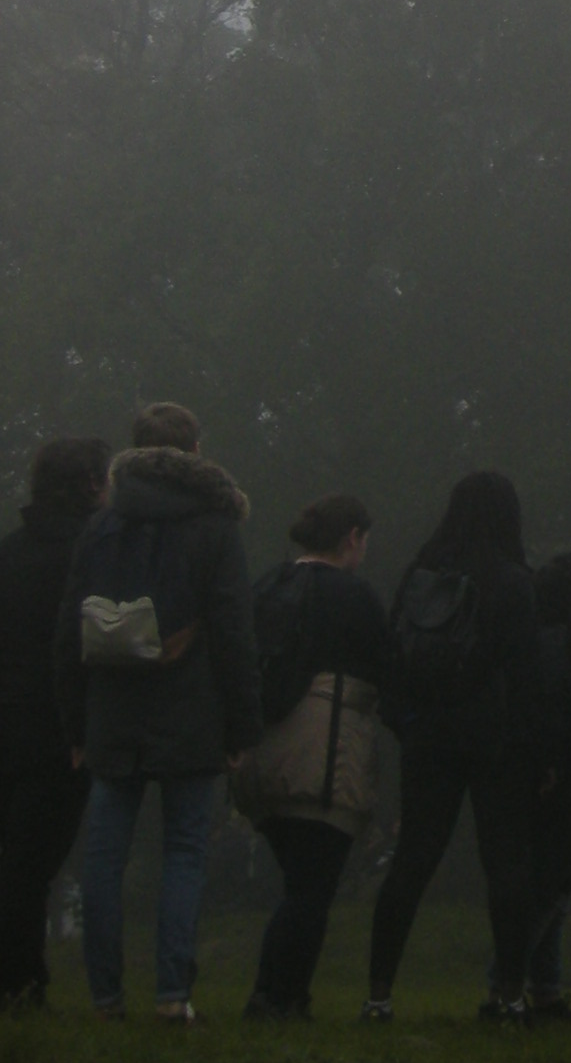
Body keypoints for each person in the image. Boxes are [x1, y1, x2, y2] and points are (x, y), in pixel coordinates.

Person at [55, 403, 262, 1024]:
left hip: (111, 712)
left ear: (135, 451)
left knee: (103, 856)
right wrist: (242, 725)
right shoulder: (216, 527)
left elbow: (68, 633)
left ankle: (105, 999)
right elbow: (233, 632)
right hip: (192, 711)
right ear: (195, 452)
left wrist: (75, 726)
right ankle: (172, 996)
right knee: (184, 852)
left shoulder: (101, 526)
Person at [362, 470, 539, 1024]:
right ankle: (510, 995)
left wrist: (407, 722)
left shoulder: (422, 575)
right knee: (506, 865)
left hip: (429, 735)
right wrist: (533, 747)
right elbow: (526, 674)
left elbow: (392, 655)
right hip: (495, 739)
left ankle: (378, 995)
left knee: (412, 860)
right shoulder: (513, 581)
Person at [235, 494, 390, 1020]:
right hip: (324, 758)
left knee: (297, 883)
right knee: (311, 890)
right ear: (352, 538)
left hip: (262, 756)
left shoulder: (268, 585)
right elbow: (388, 666)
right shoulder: (354, 596)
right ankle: (278, 998)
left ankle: (276, 994)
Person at [0, 437, 109, 1007]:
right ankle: (20, 978)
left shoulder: (11, 551)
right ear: (90, 484)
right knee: (33, 861)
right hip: (62, 729)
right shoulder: (93, 553)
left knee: (16, 858)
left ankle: (22, 974)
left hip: (8, 720)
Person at [504, 546, 571, 1022]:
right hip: (557, 771)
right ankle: (507, 981)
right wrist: (557, 762)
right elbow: (558, 710)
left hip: (533, 768)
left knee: (548, 881)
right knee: (554, 882)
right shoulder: (564, 642)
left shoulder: (533, 638)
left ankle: (543, 988)